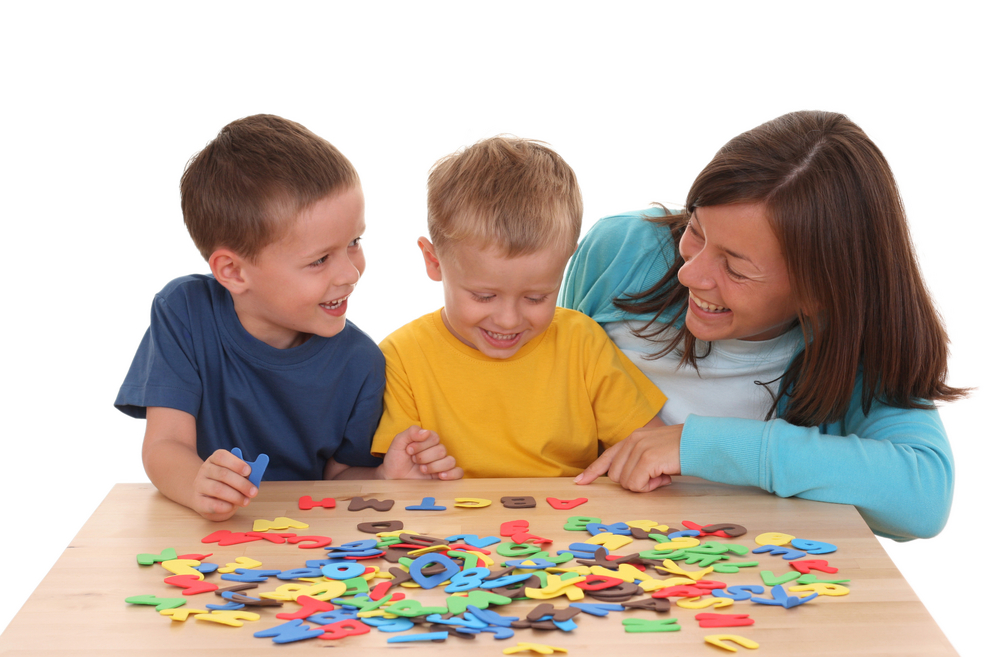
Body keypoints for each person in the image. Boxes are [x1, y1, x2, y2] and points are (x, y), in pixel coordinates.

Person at [565, 111, 963, 541]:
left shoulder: (854, 349)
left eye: (736, 269)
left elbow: (924, 497)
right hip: (589, 550)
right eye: (696, 231)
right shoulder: (619, 251)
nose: (690, 275)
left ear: (820, 292)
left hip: (752, 576)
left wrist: (702, 446)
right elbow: (551, 381)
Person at [115, 115, 457, 521]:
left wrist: (385, 475)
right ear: (234, 272)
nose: (350, 273)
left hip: (307, 551)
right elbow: (164, 445)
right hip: (200, 541)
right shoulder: (184, 311)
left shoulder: (361, 362)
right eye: (319, 260)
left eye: (355, 242)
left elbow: (338, 476)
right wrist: (196, 484)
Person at [370, 136, 667, 477]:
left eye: (536, 297)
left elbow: (654, 448)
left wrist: (651, 469)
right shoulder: (402, 357)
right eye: (484, 296)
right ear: (433, 261)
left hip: (569, 526)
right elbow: (391, 476)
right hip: (450, 528)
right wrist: (398, 476)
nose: (509, 320)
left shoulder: (583, 344)